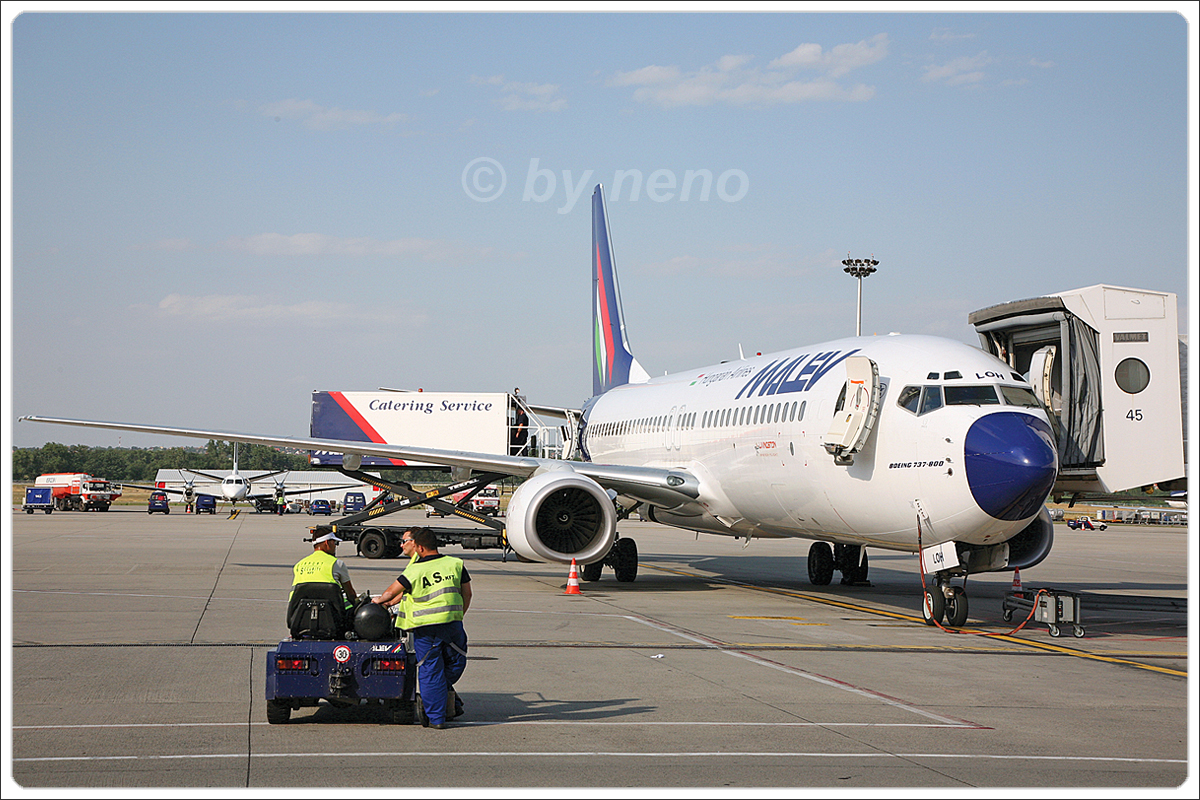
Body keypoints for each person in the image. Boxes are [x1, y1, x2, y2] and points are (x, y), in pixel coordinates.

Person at [374, 527, 471, 729]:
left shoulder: (414, 570)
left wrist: (379, 601)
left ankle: (436, 717)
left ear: (419, 547)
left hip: (426, 629)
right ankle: (439, 705)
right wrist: (459, 613)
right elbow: (467, 593)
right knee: (457, 662)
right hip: (452, 624)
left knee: (430, 671)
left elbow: (391, 592)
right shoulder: (456, 564)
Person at [291, 532, 357, 612]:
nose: (335, 546)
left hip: (300, 613)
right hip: (332, 615)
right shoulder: (336, 563)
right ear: (327, 543)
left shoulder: (299, 565)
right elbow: (350, 593)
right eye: (334, 542)